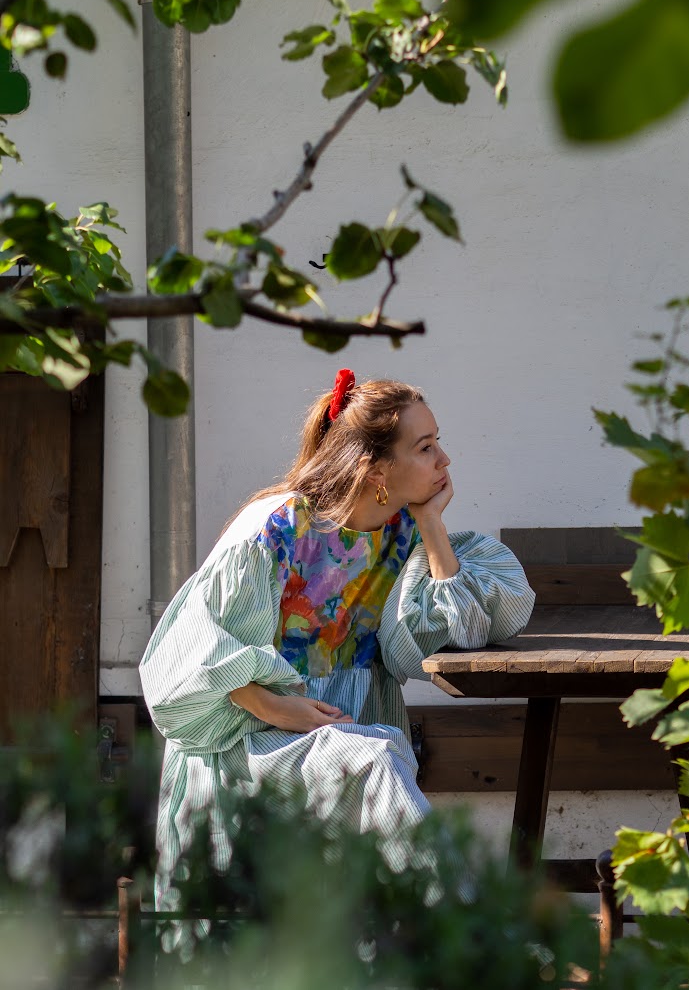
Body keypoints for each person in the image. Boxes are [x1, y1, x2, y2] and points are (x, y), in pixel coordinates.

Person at [139, 370, 535, 922]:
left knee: (379, 756)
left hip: (348, 735)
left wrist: (431, 524)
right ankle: (478, 938)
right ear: (376, 469)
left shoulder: (403, 535)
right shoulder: (276, 528)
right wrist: (280, 708)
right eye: (425, 447)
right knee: (377, 759)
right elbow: (188, 655)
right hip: (252, 742)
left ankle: (454, 941)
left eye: (438, 442)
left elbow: (466, 629)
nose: (444, 459)